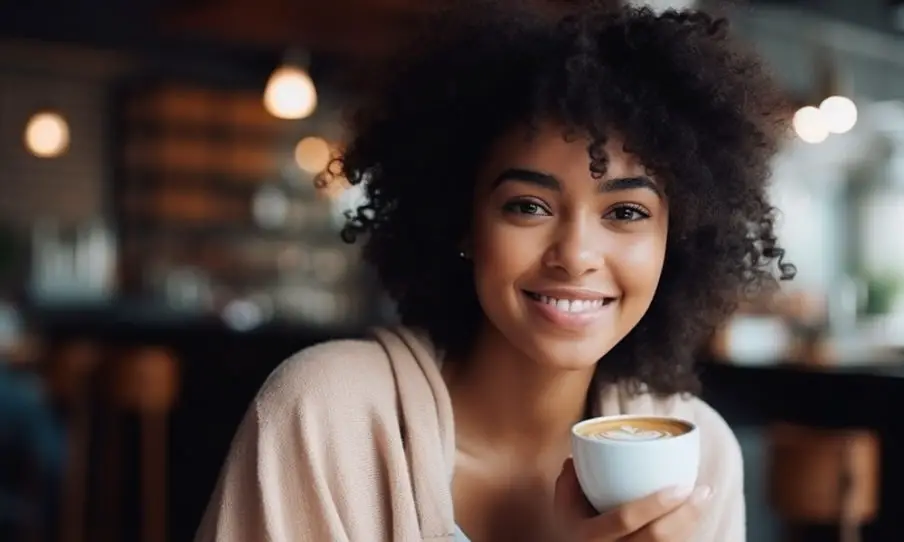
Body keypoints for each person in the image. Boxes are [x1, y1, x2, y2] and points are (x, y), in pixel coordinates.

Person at [196, 1, 795, 540]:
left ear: (677, 239)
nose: (577, 253)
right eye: (528, 206)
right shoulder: (327, 416)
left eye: (627, 211)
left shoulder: (694, 452)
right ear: (462, 220)